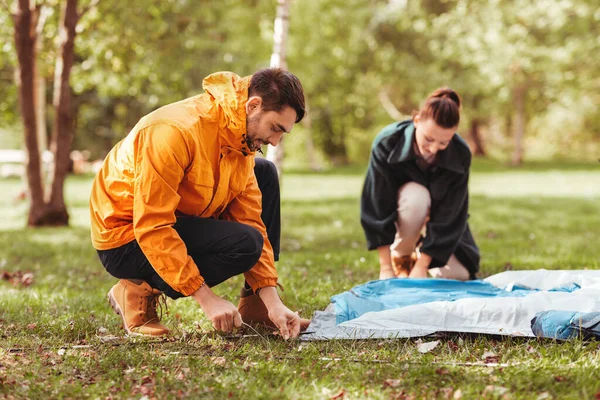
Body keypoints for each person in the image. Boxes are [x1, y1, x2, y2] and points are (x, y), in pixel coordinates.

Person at [89, 68, 309, 339]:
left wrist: (272, 300)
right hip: (126, 236)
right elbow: (152, 225)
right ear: (253, 106)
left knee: (263, 173)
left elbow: (251, 218)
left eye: (282, 133)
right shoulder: (173, 132)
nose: (275, 141)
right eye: (275, 128)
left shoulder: (240, 140)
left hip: (178, 218)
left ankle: (257, 306)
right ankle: (136, 290)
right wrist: (207, 299)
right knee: (246, 244)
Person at [360, 87, 480, 281]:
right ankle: (402, 257)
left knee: (459, 275)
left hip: (439, 221)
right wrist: (385, 268)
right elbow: (376, 206)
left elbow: (452, 213)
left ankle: (419, 258)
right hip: (408, 210)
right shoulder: (387, 143)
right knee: (417, 197)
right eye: (429, 139)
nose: (433, 149)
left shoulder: (461, 153)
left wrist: (422, 266)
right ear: (416, 121)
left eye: (443, 143)